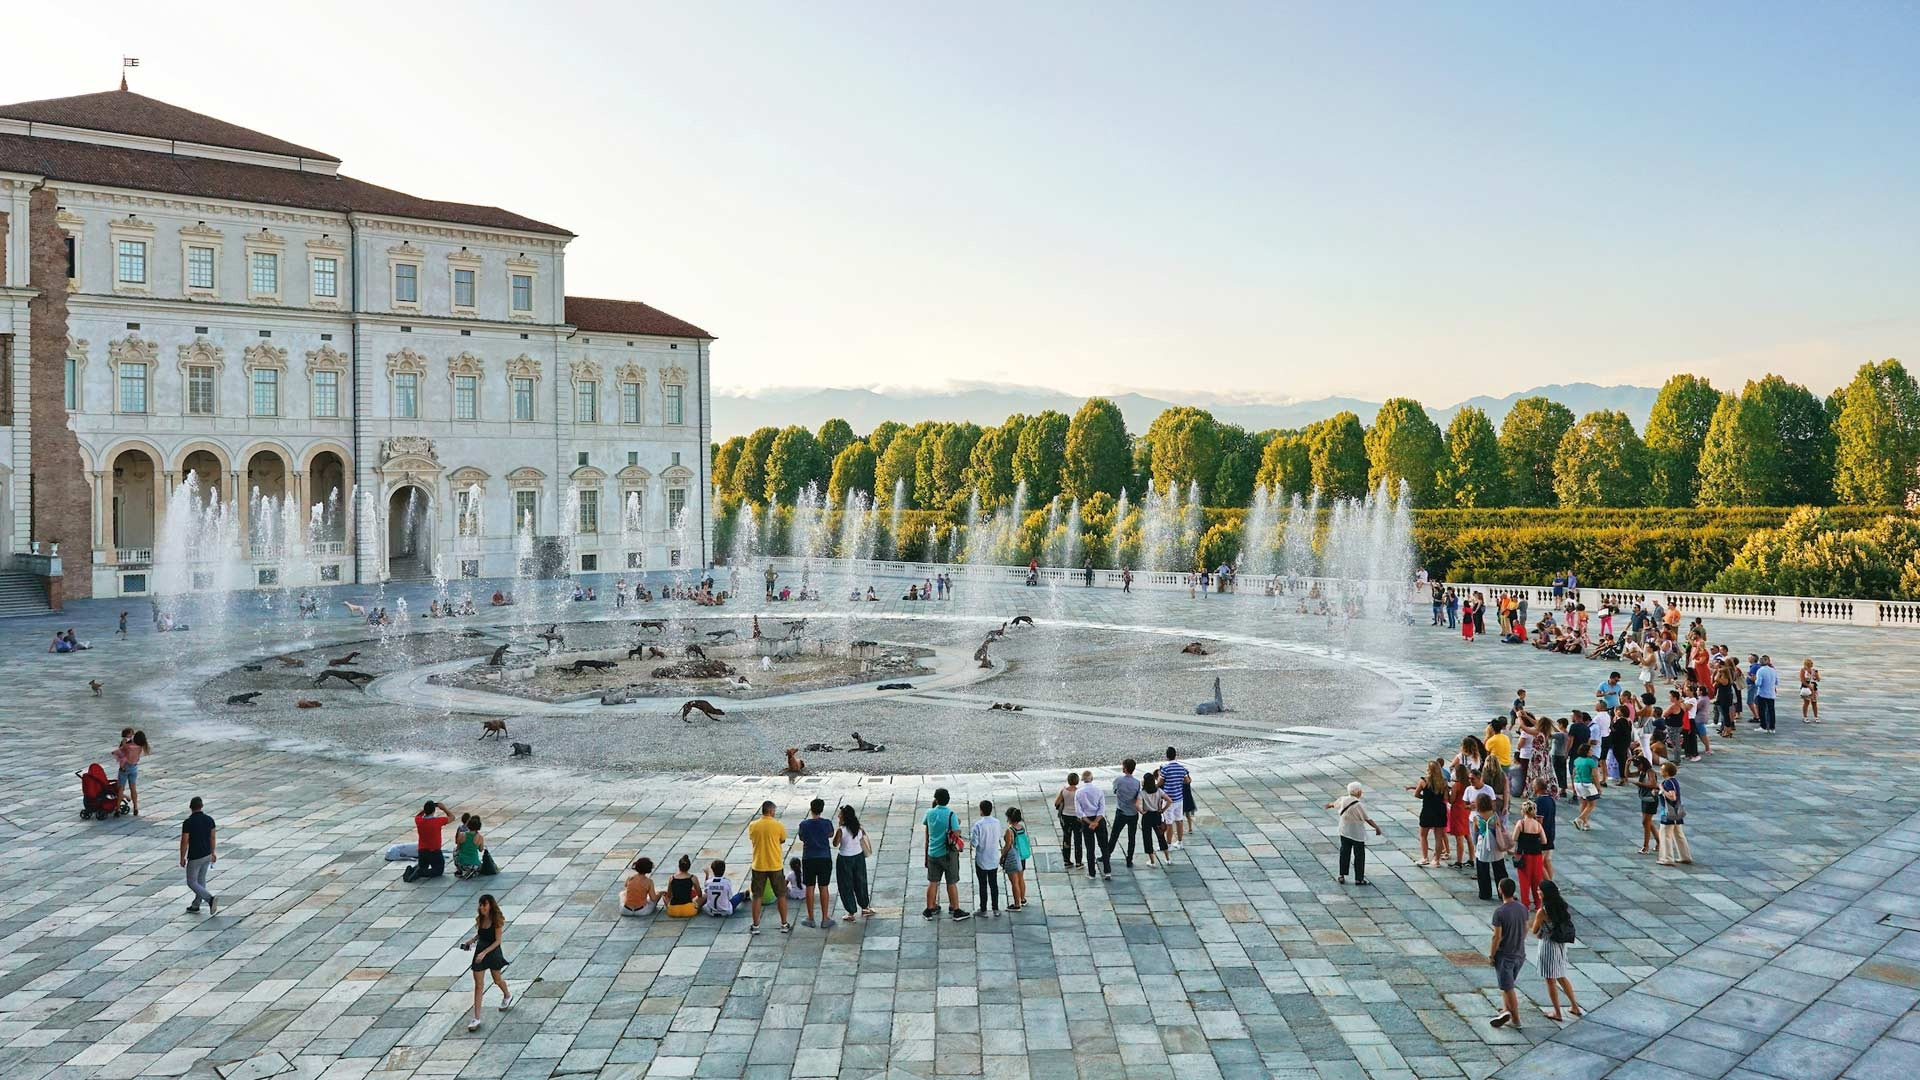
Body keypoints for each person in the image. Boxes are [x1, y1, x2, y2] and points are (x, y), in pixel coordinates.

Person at [458, 895, 512, 1031]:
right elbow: (481, 933)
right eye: (480, 905)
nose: (481, 907)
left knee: (497, 979)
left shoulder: (496, 921)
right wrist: (471, 941)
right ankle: (476, 1018)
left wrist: (484, 953)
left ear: (490, 906)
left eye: (484, 905)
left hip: (492, 952)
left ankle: (507, 995)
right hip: (480, 951)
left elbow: (497, 941)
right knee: (478, 986)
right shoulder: (481, 918)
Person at [1532, 879, 1582, 1021]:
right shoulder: (1561, 906)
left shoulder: (1542, 911)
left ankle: (1557, 1012)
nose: (1537, 891)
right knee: (1561, 976)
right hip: (1560, 945)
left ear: (1544, 893)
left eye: (1539, 890)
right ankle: (1575, 1006)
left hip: (1548, 946)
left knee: (1550, 980)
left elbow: (1534, 930)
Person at [922, 788, 971, 921]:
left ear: (936, 799)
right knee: (951, 882)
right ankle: (955, 909)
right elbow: (956, 833)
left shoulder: (929, 813)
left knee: (933, 882)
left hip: (933, 852)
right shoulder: (951, 814)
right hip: (948, 854)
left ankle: (929, 909)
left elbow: (927, 825)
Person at [1488, 877, 1528, 1030]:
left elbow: (1496, 936)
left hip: (1505, 955)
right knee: (1506, 984)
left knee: (1508, 987)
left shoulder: (1499, 912)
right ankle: (1506, 1011)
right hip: (1520, 953)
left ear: (1500, 890)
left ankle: (1516, 1019)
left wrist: (1492, 955)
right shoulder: (1522, 908)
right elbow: (1525, 929)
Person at [746, 801, 789, 934]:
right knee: (781, 895)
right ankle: (784, 924)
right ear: (771, 811)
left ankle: (756, 926)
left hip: (759, 864)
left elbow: (752, 838)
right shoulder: (778, 825)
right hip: (775, 864)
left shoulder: (753, 825)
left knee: (757, 896)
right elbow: (782, 839)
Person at [1326, 782, 1380, 885]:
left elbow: (1334, 804)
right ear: (1359, 792)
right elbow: (1367, 819)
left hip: (1344, 831)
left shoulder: (1343, 799)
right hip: (1357, 834)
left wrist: (1329, 805)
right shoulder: (1359, 805)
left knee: (1344, 852)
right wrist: (1376, 828)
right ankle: (1359, 879)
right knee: (1359, 855)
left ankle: (1341, 875)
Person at [796, 798, 835, 929]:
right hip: (824, 857)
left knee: (810, 887)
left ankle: (811, 917)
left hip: (809, 858)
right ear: (822, 809)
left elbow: (802, 837)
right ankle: (825, 918)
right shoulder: (827, 823)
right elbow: (831, 834)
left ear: (811, 809)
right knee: (824, 887)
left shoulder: (804, 824)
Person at [832, 805, 875, 921]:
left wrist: (838, 828)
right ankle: (865, 907)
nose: (838, 816)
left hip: (845, 859)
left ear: (844, 817)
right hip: (858, 857)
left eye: (840, 814)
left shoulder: (841, 830)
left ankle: (851, 911)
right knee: (861, 882)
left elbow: (835, 844)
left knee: (846, 885)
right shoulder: (859, 828)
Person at [180, 796, 217, 915]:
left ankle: (210, 899)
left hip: (195, 855)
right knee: (201, 880)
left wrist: (182, 857)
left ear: (190, 807)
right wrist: (213, 852)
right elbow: (212, 837)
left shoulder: (188, 822)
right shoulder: (209, 820)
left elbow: (184, 841)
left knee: (191, 881)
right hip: (207, 854)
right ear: (201, 806)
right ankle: (196, 904)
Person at [1471, 794, 1510, 901]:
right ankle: (1503, 893)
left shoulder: (1476, 818)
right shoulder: (1495, 816)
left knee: (1482, 870)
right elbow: (1500, 828)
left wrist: (1475, 845)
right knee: (1500, 869)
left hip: (1483, 845)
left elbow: (1475, 833)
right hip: (1495, 845)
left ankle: (1485, 893)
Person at [1411, 759, 1449, 867]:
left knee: (1423, 835)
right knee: (1438, 837)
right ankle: (1436, 860)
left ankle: (1424, 858)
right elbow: (1446, 798)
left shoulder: (1423, 781)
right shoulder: (1444, 782)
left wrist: (1425, 797)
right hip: (1440, 810)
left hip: (1427, 810)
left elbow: (1416, 794)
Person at [970, 800, 1005, 916]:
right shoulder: (997, 822)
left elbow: (974, 843)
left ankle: (983, 909)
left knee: (983, 884)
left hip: (982, 859)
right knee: (993, 883)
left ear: (981, 810)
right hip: (993, 858)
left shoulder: (978, 825)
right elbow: (999, 837)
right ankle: (995, 908)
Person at [405, 800, 454, 882]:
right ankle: (420, 872)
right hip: (434, 851)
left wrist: (425, 809)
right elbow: (452, 817)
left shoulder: (419, 821)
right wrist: (444, 808)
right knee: (438, 870)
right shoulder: (438, 821)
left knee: (423, 866)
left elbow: (418, 815)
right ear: (434, 811)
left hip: (422, 851)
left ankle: (412, 870)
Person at [1511, 800, 1547, 910]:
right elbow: (1544, 841)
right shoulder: (1538, 825)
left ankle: (1525, 904)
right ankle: (1538, 904)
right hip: (1537, 855)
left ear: (1523, 811)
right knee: (1537, 880)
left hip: (1524, 856)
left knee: (1524, 881)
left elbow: (1514, 838)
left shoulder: (1521, 823)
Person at [1075, 772, 1111, 879]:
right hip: (1099, 820)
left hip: (1087, 821)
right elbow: (1102, 809)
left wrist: (1090, 823)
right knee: (1104, 846)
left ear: (1082, 779)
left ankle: (1092, 873)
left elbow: (1079, 811)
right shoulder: (1098, 791)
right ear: (1092, 778)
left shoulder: (1079, 792)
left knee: (1090, 848)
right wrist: (1096, 822)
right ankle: (1107, 871)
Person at [1656, 762, 1693, 866]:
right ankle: (1685, 856)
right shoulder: (1674, 781)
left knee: (1665, 835)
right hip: (1677, 811)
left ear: (1667, 772)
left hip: (1668, 812)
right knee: (1678, 834)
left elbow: (1672, 797)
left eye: (1662, 769)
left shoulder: (1667, 783)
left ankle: (1667, 858)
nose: (1660, 771)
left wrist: (1662, 789)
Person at [1109, 758, 1142, 868]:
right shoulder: (1137, 782)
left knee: (1114, 834)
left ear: (1125, 768)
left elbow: (1115, 791)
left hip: (1121, 812)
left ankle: (1107, 854)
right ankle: (1129, 859)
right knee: (1131, 837)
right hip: (1133, 813)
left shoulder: (1118, 780)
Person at [1160, 748, 1190, 848]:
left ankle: (1168, 844)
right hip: (1179, 798)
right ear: (1175, 755)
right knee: (1179, 820)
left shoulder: (1165, 768)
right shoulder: (1181, 768)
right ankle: (1180, 842)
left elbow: (1160, 782)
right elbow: (1187, 780)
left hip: (1168, 799)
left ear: (1167, 756)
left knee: (1169, 823)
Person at [1001, 807, 1031, 908]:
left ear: (1009, 818)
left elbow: (1008, 845)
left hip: (1014, 857)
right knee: (1021, 878)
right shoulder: (1021, 827)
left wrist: (1002, 856)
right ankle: (1022, 899)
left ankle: (1017, 904)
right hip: (1021, 856)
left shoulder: (1009, 830)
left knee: (1014, 882)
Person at [1139, 773, 1171, 867]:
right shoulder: (1159, 791)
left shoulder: (1142, 793)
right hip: (1156, 815)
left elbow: (1136, 804)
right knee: (1161, 836)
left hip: (1147, 816)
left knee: (1147, 838)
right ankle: (1167, 858)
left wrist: (1141, 811)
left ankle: (1152, 861)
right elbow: (1169, 800)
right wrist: (1163, 810)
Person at [115, 730, 149, 816]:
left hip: (125, 768)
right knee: (133, 788)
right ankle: (135, 807)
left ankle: (117, 809)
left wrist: (125, 739)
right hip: (134, 768)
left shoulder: (129, 747)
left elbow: (122, 747)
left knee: (121, 788)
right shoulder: (140, 747)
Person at [1054, 773, 1084, 869]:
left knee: (1066, 838)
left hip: (1065, 816)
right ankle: (1078, 862)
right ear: (1077, 781)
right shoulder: (1079, 792)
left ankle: (1067, 861)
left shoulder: (1064, 791)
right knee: (1078, 839)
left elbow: (1056, 803)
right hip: (1077, 817)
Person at [1569, 744, 1601, 831]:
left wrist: (1573, 786)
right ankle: (1580, 819)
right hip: (1587, 784)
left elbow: (1574, 772)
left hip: (1577, 783)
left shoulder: (1577, 760)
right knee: (1591, 804)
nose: (1592, 751)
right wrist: (1598, 787)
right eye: (1590, 750)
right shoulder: (1591, 761)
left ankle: (1585, 823)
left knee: (1584, 802)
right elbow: (1595, 775)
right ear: (1586, 752)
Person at [1753, 654, 1778, 733]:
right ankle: (1772, 728)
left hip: (1762, 693)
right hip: (1771, 693)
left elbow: (1758, 683)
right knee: (1771, 711)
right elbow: (1777, 682)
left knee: (1762, 710)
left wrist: (1755, 680)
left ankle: (1763, 726)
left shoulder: (1760, 670)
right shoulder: (1773, 670)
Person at [1800, 658, 1821, 722]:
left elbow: (1818, 680)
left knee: (1814, 702)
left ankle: (1816, 717)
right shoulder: (1803, 670)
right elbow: (1802, 680)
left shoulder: (1814, 670)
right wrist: (1809, 686)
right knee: (1806, 703)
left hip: (1814, 688)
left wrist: (1817, 675)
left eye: (1812, 663)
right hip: (1806, 688)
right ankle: (1805, 717)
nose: (1812, 664)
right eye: (1810, 663)